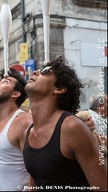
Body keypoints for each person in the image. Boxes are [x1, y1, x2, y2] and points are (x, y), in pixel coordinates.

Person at [23, 57, 107, 191]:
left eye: (45, 71)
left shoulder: (72, 128)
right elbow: (34, 183)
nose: (36, 72)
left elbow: (102, 186)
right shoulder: (27, 133)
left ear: (60, 89)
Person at [0, 67, 32, 191]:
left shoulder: (24, 122)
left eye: (6, 82)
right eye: (0, 81)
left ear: (16, 93)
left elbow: (36, 169)